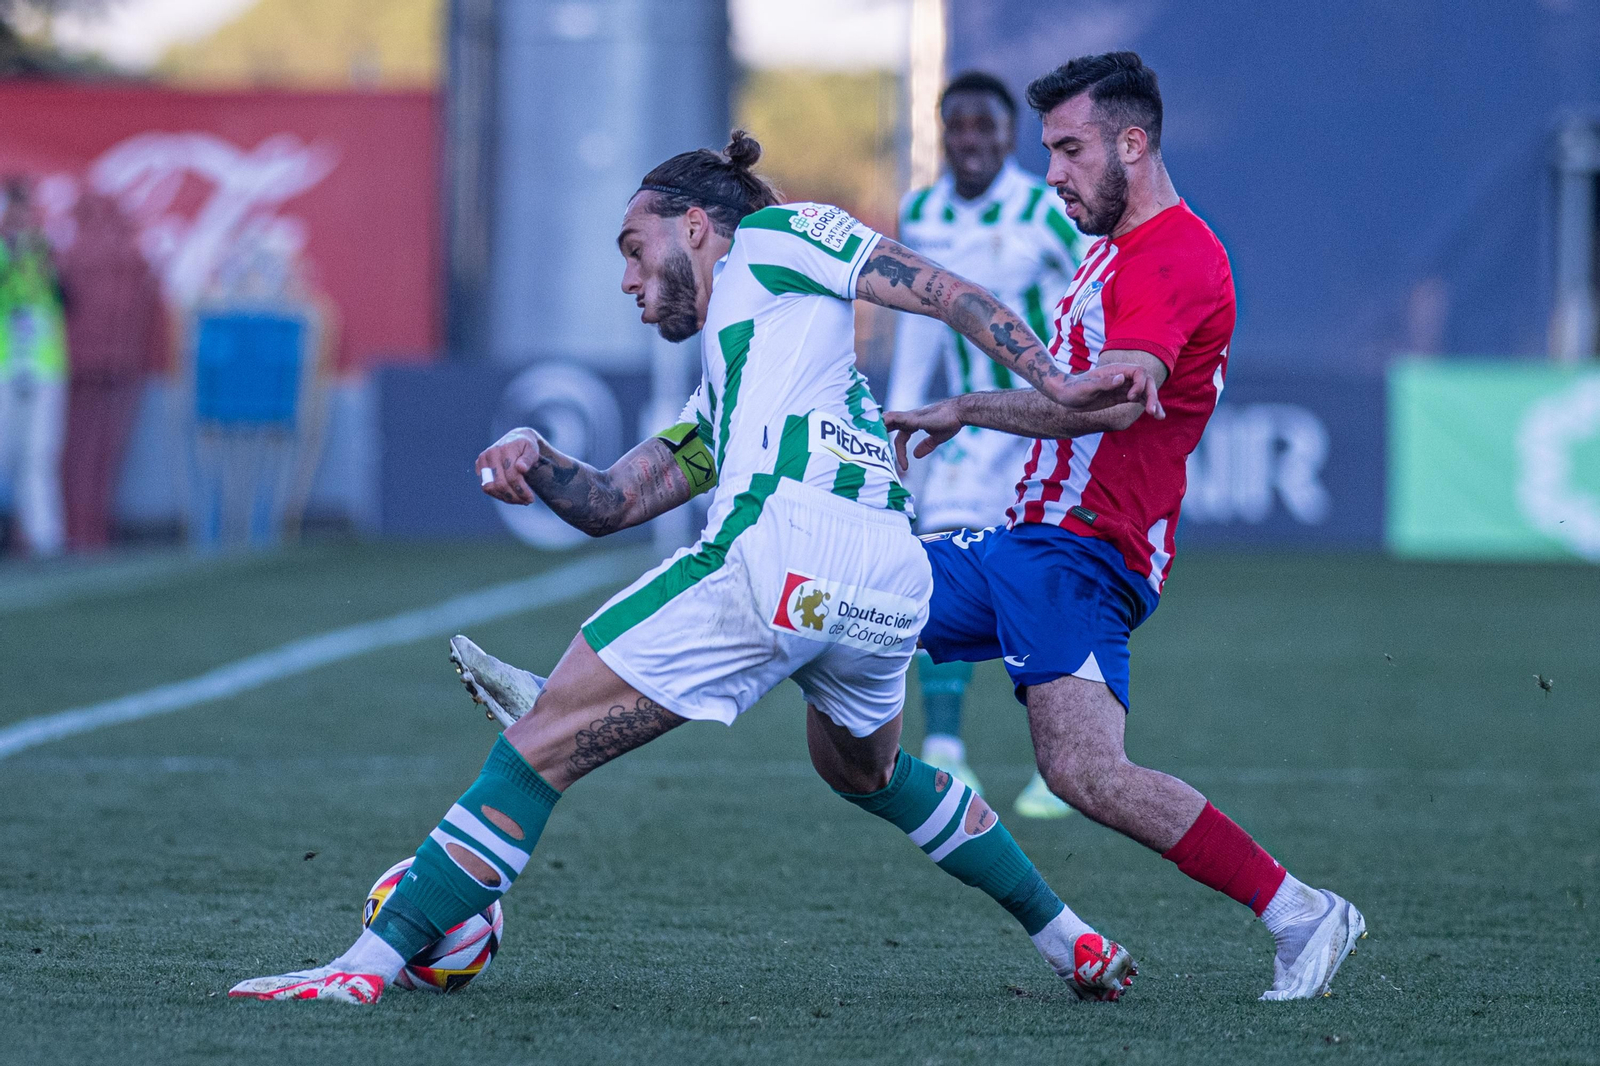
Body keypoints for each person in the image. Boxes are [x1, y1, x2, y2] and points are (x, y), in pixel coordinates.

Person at [229, 132, 1161, 1004]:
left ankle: (363, 967)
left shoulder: (779, 233)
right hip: (884, 586)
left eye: (635, 249)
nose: (630, 280)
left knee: (537, 750)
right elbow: (611, 503)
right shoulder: (738, 375)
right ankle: (1068, 936)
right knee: (866, 776)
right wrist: (532, 452)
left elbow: (939, 288)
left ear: (695, 225)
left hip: (786, 551)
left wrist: (1053, 379)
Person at [884, 52, 1366, 1001]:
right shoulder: (1109, 246)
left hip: (1083, 557)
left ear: (1133, 144)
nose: (1052, 172)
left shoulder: (1178, 257)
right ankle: (603, 696)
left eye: (1068, 151)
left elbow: (1105, 404)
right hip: (1034, 545)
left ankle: (1302, 910)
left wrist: (966, 407)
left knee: (1085, 772)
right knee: (846, 597)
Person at [888, 70, 1088, 818]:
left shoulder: (1045, 209)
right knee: (938, 558)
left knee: (1043, 580)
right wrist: (902, 417)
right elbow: (916, 323)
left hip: (1045, 426)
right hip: (971, 426)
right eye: (957, 126)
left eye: (985, 127)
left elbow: (1091, 297)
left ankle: (1063, 758)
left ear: (1010, 137)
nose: (969, 140)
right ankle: (945, 749)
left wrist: (1086, 392)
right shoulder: (923, 211)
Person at [56, 191, 163, 551]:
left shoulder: (70, 257)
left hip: (78, 365)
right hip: (119, 367)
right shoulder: (135, 261)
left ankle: (76, 528)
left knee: (72, 452)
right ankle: (92, 528)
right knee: (104, 454)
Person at [0, 178, 68, 557]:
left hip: (44, 369)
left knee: (40, 455)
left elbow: (62, 299)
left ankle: (44, 537)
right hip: (6, 366)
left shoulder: (47, 252)